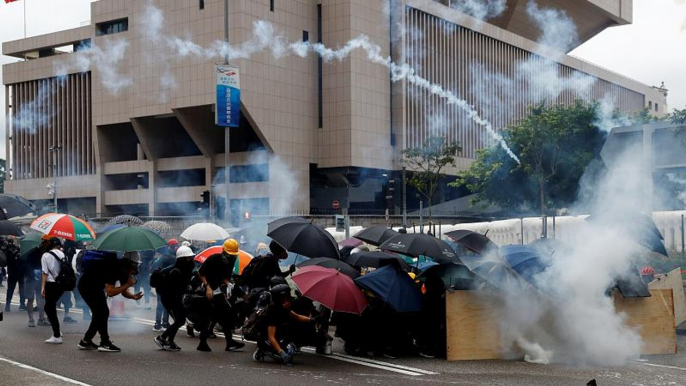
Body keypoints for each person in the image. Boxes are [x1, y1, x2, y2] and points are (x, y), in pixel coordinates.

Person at [77, 252, 143, 352]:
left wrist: (132, 296)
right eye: (134, 266)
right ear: (129, 265)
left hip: (96, 287)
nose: (135, 269)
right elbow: (110, 292)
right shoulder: (114, 269)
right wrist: (127, 285)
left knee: (101, 313)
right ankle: (104, 342)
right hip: (87, 287)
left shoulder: (124, 271)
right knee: (101, 313)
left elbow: (123, 291)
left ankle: (87, 341)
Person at [196, 238, 245, 352]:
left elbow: (223, 276)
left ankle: (229, 342)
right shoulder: (214, 259)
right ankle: (203, 342)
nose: (231, 256)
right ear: (223, 251)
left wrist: (228, 284)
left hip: (218, 291)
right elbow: (201, 273)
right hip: (208, 290)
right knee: (207, 317)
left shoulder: (232, 261)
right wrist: (208, 287)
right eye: (229, 254)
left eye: (233, 255)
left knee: (226, 316)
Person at [252, 284, 320, 365]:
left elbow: (297, 317)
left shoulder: (281, 307)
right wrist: (281, 353)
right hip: (266, 336)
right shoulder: (272, 312)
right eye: (287, 296)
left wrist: (312, 320)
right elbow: (271, 337)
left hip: (278, 332)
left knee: (293, 327)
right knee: (287, 355)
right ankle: (265, 348)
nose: (288, 297)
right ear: (281, 297)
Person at [153, 246, 196, 351]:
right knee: (180, 320)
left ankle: (169, 341)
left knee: (179, 320)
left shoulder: (184, 269)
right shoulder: (175, 272)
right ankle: (162, 338)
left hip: (176, 298)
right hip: (170, 299)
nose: (191, 260)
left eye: (191, 257)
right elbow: (174, 288)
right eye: (188, 258)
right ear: (182, 259)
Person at [41, 237, 67, 344]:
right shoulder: (62, 254)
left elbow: (45, 273)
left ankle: (57, 335)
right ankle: (57, 331)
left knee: (49, 308)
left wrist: (42, 287)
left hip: (51, 284)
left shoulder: (45, 255)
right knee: (51, 307)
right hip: (61, 284)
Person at [151, 240, 177, 331]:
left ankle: (158, 324)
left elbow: (153, 268)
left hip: (159, 284)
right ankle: (164, 323)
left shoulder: (160, 258)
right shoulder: (173, 259)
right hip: (166, 285)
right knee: (165, 304)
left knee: (160, 304)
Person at [24, 240, 48, 328]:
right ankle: (32, 319)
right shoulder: (32, 253)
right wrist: (33, 271)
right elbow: (26, 264)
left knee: (41, 298)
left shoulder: (45, 254)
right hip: (32, 277)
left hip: (39, 277)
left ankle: (39, 319)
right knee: (31, 299)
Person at [4, 238, 24, 312]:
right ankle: (22, 304)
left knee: (10, 289)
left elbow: (6, 261)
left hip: (11, 272)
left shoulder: (6, 250)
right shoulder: (20, 250)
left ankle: (7, 305)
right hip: (20, 272)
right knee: (22, 288)